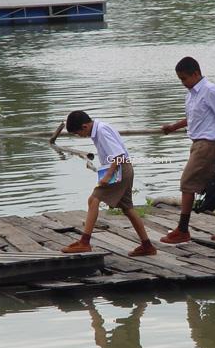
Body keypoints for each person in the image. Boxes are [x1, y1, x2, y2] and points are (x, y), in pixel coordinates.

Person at [160, 57, 215, 243]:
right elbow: (193, 117)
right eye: (180, 79)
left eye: (184, 79)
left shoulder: (210, 90)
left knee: (187, 183)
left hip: (208, 145)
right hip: (197, 144)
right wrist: (174, 126)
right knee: (214, 186)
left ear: (196, 74)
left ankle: (183, 230)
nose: (183, 83)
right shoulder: (191, 94)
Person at [61, 110, 157, 257]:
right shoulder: (99, 129)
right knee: (128, 208)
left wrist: (108, 176)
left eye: (77, 133)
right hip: (124, 169)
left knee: (93, 200)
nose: (79, 136)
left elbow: (118, 155)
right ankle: (147, 245)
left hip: (119, 170)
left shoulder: (101, 131)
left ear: (85, 126)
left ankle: (84, 242)